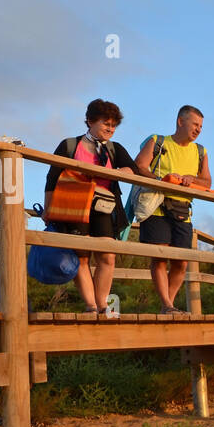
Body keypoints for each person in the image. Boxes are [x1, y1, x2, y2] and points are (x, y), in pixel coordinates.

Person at [43, 99, 141, 314]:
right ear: (90, 120)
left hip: (104, 207)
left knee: (107, 255)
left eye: (114, 125)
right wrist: (48, 209)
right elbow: (52, 178)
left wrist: (116, 172)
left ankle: (104, 305)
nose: (110, 129)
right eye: (106, 123)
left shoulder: (114, 149)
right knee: (81, 256)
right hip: (74, 205)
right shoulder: (69, 145)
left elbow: (132, 170)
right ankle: (91, 306)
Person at [133, 106, 212, 314]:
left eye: (201, 126)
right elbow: (139, 166)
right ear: (180, 121)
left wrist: (191, 178)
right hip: (157, 206)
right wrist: (162, 181)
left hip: (183, 210)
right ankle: (168, 305)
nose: (198, 130)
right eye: (195, 124)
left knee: (181, 263)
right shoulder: (158, 141)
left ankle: (167, 305)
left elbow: (207, 182)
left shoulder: (200, 151)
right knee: (159, 257)